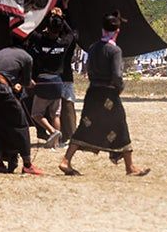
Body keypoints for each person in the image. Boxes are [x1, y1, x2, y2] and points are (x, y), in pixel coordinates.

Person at [62, 14, 150, 177]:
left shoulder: (93, 47)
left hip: (93, 92)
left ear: (102, 29)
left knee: (85, 125)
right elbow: (117, 75)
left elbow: (88, 68)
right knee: (120, 125)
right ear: (117, 30)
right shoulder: (114, 50)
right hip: (108, 93)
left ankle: (66, 160)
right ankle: (130, 167)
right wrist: (119, 88)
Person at [0, 42, 44, 175]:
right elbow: (26, 82)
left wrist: (14, 84)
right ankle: (27, 165)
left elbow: (1, 72)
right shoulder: (26, 57)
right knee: (20, 124)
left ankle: (0, 164)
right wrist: (30, 84)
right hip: (1, 86)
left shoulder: (1, 51)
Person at [25, 11, 75, 147]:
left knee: (36, 114)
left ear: (48, 27)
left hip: (43, 81)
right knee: (56, 115)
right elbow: (71, 33)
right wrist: (62, 18)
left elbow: (31, 29)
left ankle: (52, 132)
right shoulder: (63, 43)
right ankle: (57, 143)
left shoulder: (40, 40)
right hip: (57, 82)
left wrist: (46, 15)